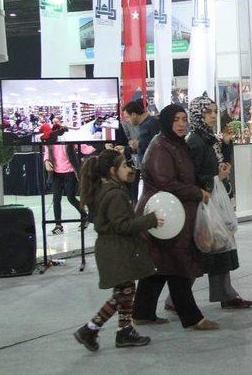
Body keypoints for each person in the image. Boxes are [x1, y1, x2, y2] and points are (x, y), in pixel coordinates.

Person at [132, 104, 218, 331]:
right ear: (167, 122)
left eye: (184, 119)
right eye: (176, 120)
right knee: (177, 264)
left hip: (173, 215)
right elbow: (165, 182)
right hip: (163, 216)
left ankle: (142, 312)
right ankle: (192, 317)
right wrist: (197, 192)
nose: (181, 124)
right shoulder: (160, 146)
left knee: (161, 265)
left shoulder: (175, 143)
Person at [73, 150, 161, 352]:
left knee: (125, 291)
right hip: (117, 250)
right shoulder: (115, 195)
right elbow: (123, 225)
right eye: (124, 166)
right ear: (113, 170)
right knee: (124, 293)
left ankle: (124, 331)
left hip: (112, 249)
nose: (128, 169)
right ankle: (90, 328)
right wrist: (151, 220)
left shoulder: (103, 190)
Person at [170, 94, 252, 310]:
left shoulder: (206, 138)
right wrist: (215, 178)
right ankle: (178, 298)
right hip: (205, 201)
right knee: (205, 250)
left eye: (215, 111)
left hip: (213, 198)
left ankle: (223, 294)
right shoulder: (196, 141)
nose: (214, 115)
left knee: (217, 248)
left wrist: (224, 148)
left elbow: (215, 164)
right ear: (198, 114)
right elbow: (192, 175)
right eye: (209, 112)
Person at [44, 144, 95, 234]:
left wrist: (97, 145)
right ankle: (58, 226)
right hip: (56, 173)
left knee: (70, 198)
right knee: (56, 199)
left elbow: (84, 148)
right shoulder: (51, 140)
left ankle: (84, 216)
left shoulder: (69, 140)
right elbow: (47, 152)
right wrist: (46, 161)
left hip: (70, 173)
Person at [122, 100, 161, 200]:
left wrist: (139, 144)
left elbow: (159, 145)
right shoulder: (143, 125)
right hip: (148, 171)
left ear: (134, 114)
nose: (126, 121)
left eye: (127, 117)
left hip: (155, 171)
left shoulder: (152, 123)